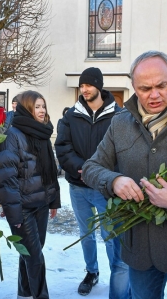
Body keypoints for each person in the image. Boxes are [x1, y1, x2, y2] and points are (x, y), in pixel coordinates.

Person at [81, 51, 167, 299]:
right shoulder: (120, 123)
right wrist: (114, 181)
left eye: (162, 85)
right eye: (145, 88)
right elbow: (92, 168)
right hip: (140, 252)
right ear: (134, 87)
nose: (154, 94)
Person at [55, 67, 130, 298]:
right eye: (82, 85)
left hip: (104, 189)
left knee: (110, 235)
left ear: (99, 86)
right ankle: (91, 271)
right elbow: (63, 147)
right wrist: (82, 169)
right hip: (78, 187)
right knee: (86, 233)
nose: (84, 89)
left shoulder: (119, 116)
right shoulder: (71, 115)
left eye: (88, 85)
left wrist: (101, 175)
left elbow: (124, 151)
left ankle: (117, 274)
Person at [0, 90, 61, 299]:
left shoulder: (43, 133)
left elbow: (50, 171)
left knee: (31, 252)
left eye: (43, 106)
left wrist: (54, 201)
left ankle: (24, 292)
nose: (42, 111)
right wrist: (13, 213)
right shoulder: (13, 135)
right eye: (37, 107)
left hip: (41, 204)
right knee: (35, 257)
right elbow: (7, 178)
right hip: (23, 207)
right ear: (26, 108)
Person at [56, 107, 70, 176]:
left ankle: (68, 169)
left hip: (69, 142)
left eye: (68, 112)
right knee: (61, 155)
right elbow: (58, 130)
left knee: (68, 156)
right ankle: (59, 169)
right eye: (65, 112)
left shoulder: (72, 122)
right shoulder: (60, 121)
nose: (66, 113)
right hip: (61, 141)